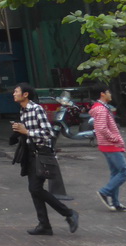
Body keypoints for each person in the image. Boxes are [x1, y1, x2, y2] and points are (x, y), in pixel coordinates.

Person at [10, 83, 79, 236]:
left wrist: (26, 131)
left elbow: (48, 132)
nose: (13, 94)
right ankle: (44, 225)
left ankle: (69, 213)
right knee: (34, 190)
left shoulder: (36, 109)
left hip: (41, 153)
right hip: (29, 153)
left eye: (16, 91)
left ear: (25, 94)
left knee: (35, 188)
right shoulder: (23, 111)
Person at [89, 88, 126, 212]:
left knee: (116, 173)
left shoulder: (100, 107)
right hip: (110, 145)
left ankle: (116, 203)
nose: (110, 94)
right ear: (102, 94)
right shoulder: (102, 109)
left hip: (106, 145)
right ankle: (105, 192)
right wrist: (115, 139)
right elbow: (102, 128)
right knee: (125, 172)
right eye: (109, 92)